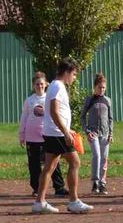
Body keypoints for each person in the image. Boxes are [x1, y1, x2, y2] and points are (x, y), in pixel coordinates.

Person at [33, 58, 93, 214]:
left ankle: (39, 202)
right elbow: (54, 110)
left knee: (49, 167)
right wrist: (65, 132)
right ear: (66, 72)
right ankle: (73, 201)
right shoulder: (58, 87)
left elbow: (56, 112)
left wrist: (68, 129)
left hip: (53, 131)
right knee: (75, 162)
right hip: (57, 133)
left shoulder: (54, 85)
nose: (74, 78)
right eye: (73, 74)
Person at [19, 72, 66, 197]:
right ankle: (36, 188)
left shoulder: (49, 99)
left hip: (47, 135)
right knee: (34, 164)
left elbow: (56, 115)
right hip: (32, 137)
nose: (39, 86)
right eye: (37, 84)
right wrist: (22, 134)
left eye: (41, 84)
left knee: (53, 162)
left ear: (46, 85)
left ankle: (59, 187)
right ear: (33, 86)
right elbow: (24, 117)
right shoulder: (29, 100)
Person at [81, 73, 114, 195]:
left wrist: (111, 133)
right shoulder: (89, 100)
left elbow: (110, 118)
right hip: (93, 133)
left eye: (104, 88)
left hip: (105, 134)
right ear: (95, 87)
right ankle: (95, 182)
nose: (102, 90)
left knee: (104, 158)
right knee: (97, 156)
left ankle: (102, 183)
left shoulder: (108, 100)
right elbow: (83, 117)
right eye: (100, 87)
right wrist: (87, 131)